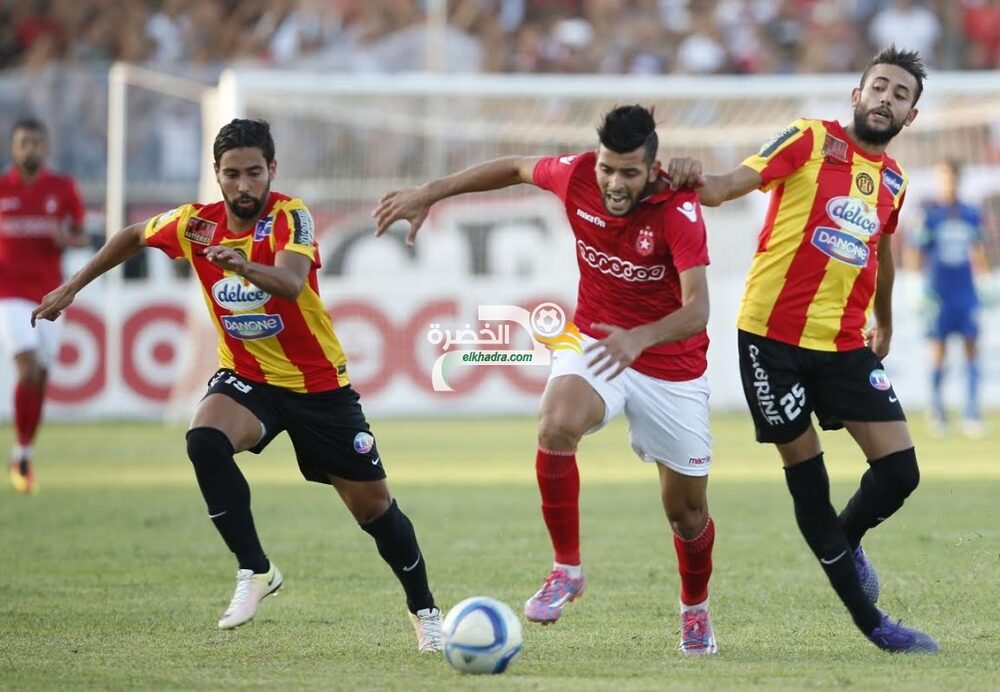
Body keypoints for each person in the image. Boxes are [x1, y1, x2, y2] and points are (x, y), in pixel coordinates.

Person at [32, 119, 444, 651]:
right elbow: (132, 236)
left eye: (255, 173)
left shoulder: (291, 216)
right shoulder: (194, 226)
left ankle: (425, 610)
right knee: (203, 439)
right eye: (233, 175)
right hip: (249, 376)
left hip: (318, 386)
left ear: (272, 170)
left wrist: (244, 265)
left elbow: (293, 283)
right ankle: (255, 569)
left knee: (374, 510)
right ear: (217, 176)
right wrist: (71, 286)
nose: (245, 185)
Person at [374, 105, 719, 656]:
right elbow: (513, 168)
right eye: (608, 168)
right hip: (595, 340)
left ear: (652, 170)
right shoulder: (576, 173)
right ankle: (567, 570)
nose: (613, 182)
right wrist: (430, 192)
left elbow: (699, 308)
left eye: (628, 172)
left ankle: (695, 610)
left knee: (686, 513)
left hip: (669, 363)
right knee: (556, 423)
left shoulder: (677, 208)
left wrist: (641, 337)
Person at [667, 46, 939, 653]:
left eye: (900, 95)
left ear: (910, 117)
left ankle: (843, 542)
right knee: (808, 484)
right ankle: (874, 624)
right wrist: (691, 177)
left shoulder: (894, 180)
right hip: (772, 342)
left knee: (900, 472)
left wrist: (884, 322)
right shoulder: (809, 138)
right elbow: (729, 184)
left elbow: (883, 251)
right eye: (879, 87)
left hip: (844, 344)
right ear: (856, 94)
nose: (886, 99)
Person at [0, 117, 86, 494]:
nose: (29, 149)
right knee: (29, 367)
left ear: (45, 147)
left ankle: (23, 451)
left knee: (42, 376)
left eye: (36, 143)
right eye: (23, 143)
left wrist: (67, 236)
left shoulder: (63, 188)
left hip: (52, 296)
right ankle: (22, 451)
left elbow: (84, 235)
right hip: (9, 295)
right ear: (13, 149)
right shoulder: (2, 188)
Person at [907, 159, 991, 438]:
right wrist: (916, 285)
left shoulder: (970, 213)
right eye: (944, 177)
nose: (949, 183)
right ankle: (937, 411)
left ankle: (971, 413)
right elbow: (916, 251)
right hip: (938, 293)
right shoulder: (929, 213)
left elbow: (977, 249)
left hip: (965, 291)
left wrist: (984, 281)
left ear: (960, 179)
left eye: (953, 177)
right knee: (938, 353)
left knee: (971, 351)